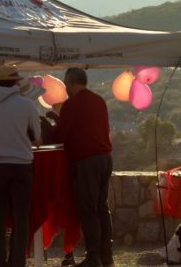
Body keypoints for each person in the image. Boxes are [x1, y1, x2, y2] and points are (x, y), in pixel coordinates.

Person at [50, 68, 114, 267]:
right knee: (102, 208)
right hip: (105, 158)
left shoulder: (72, 104)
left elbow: (61, 136)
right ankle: (106, 257)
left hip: (87, 161)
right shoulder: (99, 101)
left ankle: (93, 257)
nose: (66, 88)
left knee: (89, 210)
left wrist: (52, 124)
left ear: (70, 81)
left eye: (66, 83)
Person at [0, 65, 42, 267]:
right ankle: (17, 262)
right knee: (20, 218)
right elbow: (38, 139)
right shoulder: (26, 104)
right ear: (16, 83)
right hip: (21, 166)